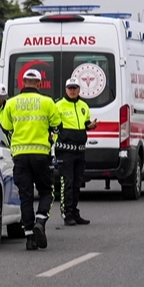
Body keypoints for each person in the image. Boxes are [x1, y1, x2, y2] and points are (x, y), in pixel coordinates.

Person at [0, 68, 62, 251]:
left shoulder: (11, 103)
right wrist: (51, 142)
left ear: (22, 83)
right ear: (39, 85)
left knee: (25, 196)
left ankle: (29, 239)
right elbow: (57, 126)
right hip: (41, 154)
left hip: (19, 155)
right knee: (46, 191)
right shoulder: (47, 102)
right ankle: (40, 222)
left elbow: (5, 127)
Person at [55, 78, 93, 226]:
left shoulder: (84, 106)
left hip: (80, 151)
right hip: (65, 151)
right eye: (70, 88)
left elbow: (85, 123)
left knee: (78, 182)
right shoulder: (58, 105)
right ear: (66, 89)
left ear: (79, 90)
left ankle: (75, 211)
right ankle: (67, 213)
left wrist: (91, 126)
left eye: (75, 88)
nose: (72, 90)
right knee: (67, 182)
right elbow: (53, 125)